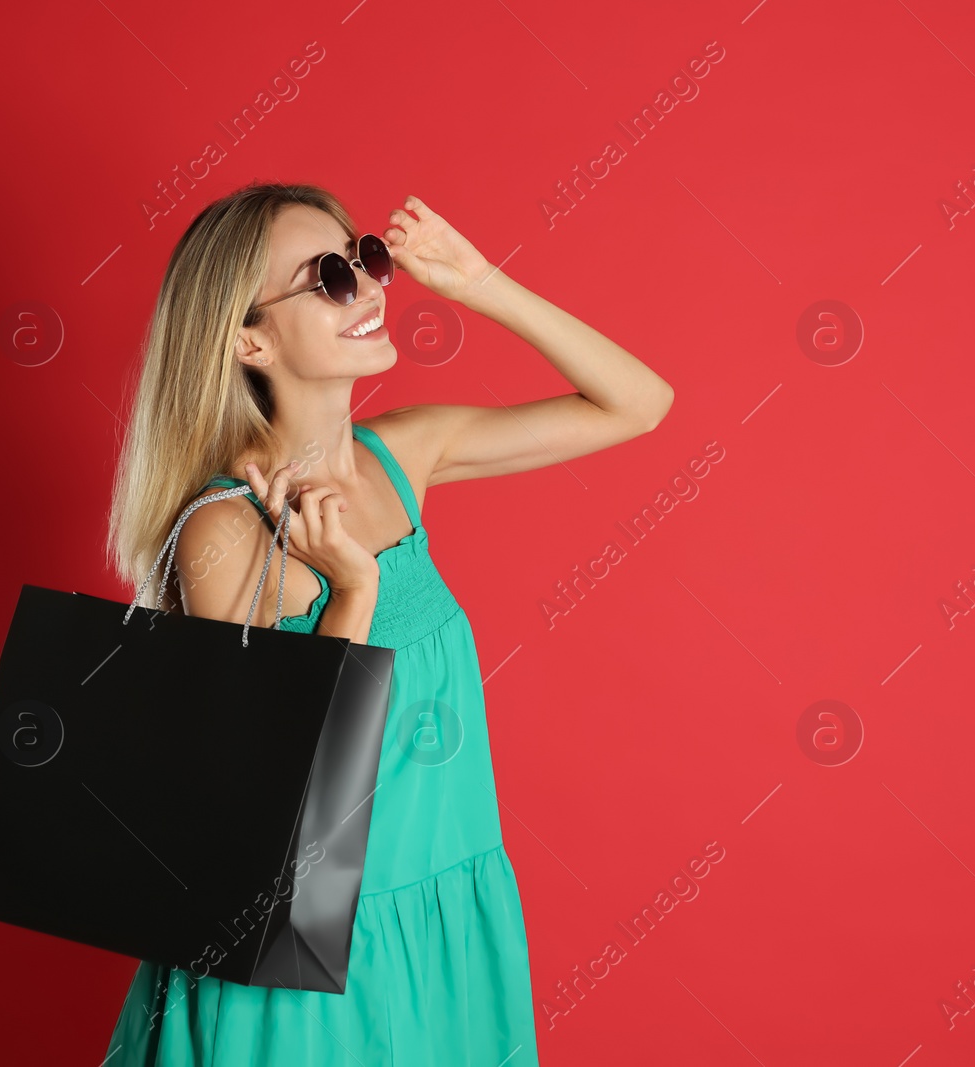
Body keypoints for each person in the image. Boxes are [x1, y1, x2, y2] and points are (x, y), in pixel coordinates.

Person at [101, 182, 673, 1065]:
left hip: (445, 920)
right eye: (328, 276)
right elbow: (273, 794)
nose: (367, 288)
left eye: (362, 259)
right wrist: (353, 597)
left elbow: (639, 403)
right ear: (249, 337)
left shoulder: (402, 453)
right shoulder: (225, 528)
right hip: (308, 957)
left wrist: (481, 283)